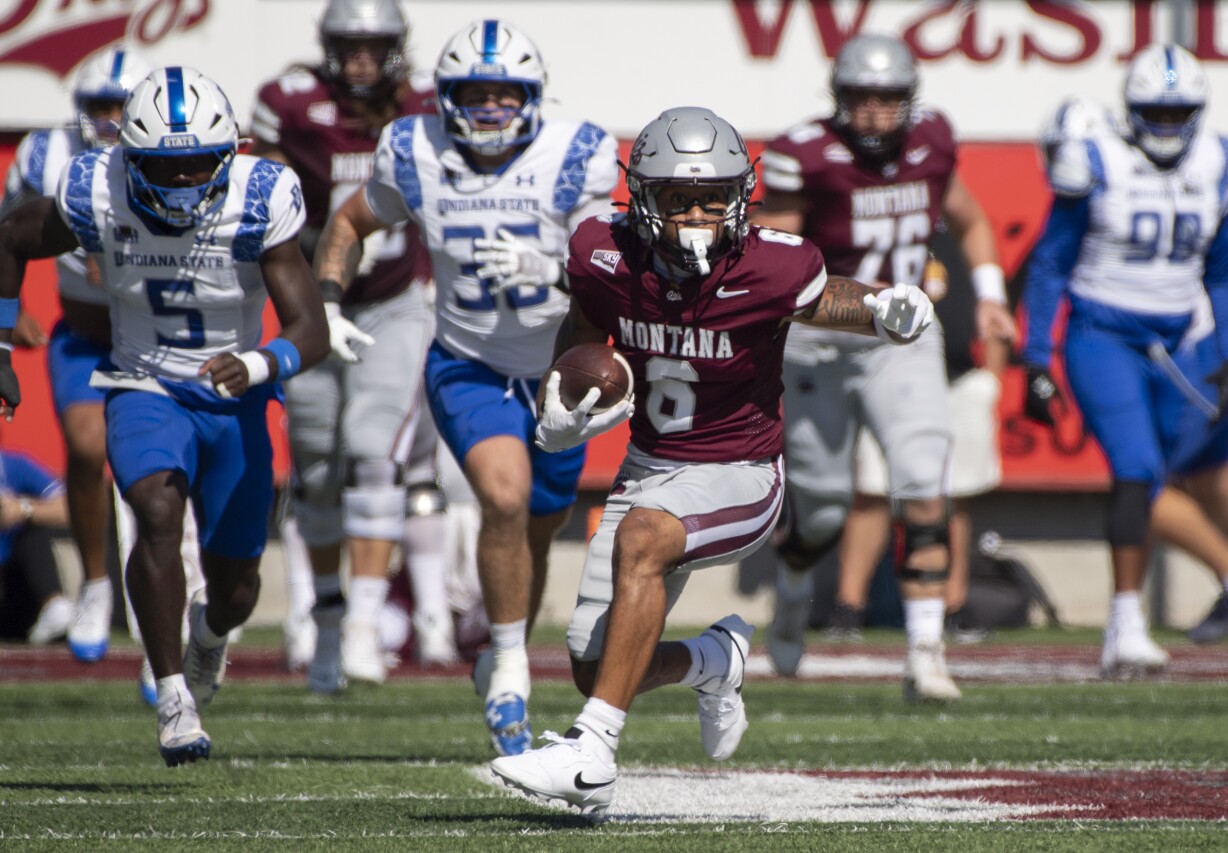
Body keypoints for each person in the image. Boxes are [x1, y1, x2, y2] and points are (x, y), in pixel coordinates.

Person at [488, 106, 934, 815]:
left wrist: (885, 308)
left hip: (740, 472)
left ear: (740, 196)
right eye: (678, 199)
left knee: (642, 540)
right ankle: (713, 660)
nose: (697, 215)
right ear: (643, 198)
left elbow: (827, 298)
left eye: (712, 198)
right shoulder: (603, 253)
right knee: (595, 667)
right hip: (648, 466)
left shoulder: (771, 263)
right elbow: (583, 330)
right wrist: (561, 403)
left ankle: (592, 753)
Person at [0, 66, 329, 765]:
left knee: (236, 588)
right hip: (143, 382)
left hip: (235, 396)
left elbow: (311, 329)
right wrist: (2, 341)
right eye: (162, 164)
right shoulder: (97, 187)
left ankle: (207, 635)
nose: (181, 179)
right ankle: (173, 692)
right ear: (130, 157)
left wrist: (259, 363)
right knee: (154, 508)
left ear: (228, 153)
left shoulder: (259, 196)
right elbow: (10, 238)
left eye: (197, 162)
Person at [312, 19, 618, 754]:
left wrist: (552, 268)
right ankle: (510, 667)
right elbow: (350, 222)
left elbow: (611, 265)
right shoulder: (415, 150)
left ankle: (501, 650)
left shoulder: (573, 154)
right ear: (446, 96)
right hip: (468, 361)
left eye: (503, 93)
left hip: (560, 368)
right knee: (503, 497)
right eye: (474, 92)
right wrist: (326, 302)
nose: (488, 107)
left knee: (539, 521)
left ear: (532, 96)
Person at [752, 32, 1018, 700]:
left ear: (910, 97)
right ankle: (793, 588)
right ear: (839, 96)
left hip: (903, 335)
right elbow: (772, 256)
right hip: (820, 341)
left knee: (925, 481)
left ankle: (926, 653)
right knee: (822, 509)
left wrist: (989, 296)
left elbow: (970, 221)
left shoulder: (932, 143)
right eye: (861, 96)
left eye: (887, 97)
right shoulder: (804, 154)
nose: (873, 110)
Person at [1020, 44, 1228, 675]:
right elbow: (1051, 263)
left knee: (1211, 470)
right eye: (1153, 111)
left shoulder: (1218, 160)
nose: (1165, 124)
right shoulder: (1097, 157)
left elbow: (1225, 270)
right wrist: (1037, 356)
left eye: (1176, 112)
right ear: (1130, 110)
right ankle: (1126, 624)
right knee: (1137, 471)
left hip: (1184, 340)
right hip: (1103, 333)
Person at [250, 0, 444, 689]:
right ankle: (327, 620)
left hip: (392, 303)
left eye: (374, 46)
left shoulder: (425, 107)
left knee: (372, 453)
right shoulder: (292, 104)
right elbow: (264, 198)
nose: (361, 59)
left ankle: (363, 622)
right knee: (317, 468)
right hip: (311, 306)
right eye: (349, 45)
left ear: (396, 47)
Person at [0, 45, 152, 663]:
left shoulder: (170, 158)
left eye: (121, 106)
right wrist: (9, 314)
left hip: (159, 337)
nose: (110, 119)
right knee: (88, 449)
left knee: (164, 471)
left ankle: (184, 585)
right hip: (86, 334)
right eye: (100, 106)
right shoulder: (47, 155)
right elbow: (7, 235)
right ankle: (95, 584)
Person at [827, 234, 1007, 642]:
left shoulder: (962, 232)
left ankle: (951, 606)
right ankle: (848, 606)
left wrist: (992, 378)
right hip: (890, 375)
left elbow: (991, 299)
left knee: (953, 495)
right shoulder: (887, 228)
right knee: (872, 491)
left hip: (958, 377)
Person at [0, 447, 71, 644]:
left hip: (14, 589)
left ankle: (53, 606)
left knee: (33, 530)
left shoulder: (15, 466)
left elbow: (67, 508)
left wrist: (23, 509)